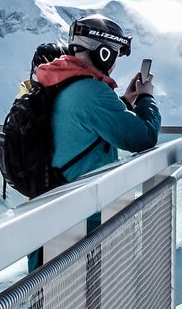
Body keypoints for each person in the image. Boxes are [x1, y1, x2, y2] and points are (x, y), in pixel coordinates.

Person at [33, 15, 161, 183]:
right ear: (104, 53)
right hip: (83, 201)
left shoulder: (59, 80)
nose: (115, 63)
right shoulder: (92, 91)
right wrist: (146, 97)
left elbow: (86, 122)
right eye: (116, 53)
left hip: (59, 194)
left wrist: (126, 102)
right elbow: (144, 138)